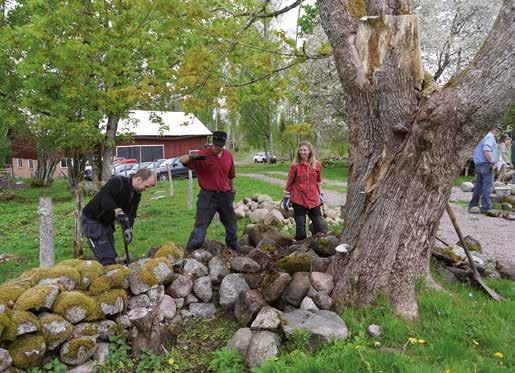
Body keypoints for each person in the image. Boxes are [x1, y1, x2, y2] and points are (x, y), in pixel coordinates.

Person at [179, 131, 239, 253]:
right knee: (200, 227)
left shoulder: (228, 155)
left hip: (225, 195)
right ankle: (191, 252)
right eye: (216, 145)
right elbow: (181, 160)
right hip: (207, 196)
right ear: (212, 142)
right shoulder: (202, 155)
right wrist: (191, 156)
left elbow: (231, 175)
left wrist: (232, 191)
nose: (217, 148)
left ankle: (233, 249)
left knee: (232, 226)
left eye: (220, 146)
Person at [82, 169, 156, 265]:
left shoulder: (136, 194)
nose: (146, 189)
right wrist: (117, 210)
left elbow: (131, 214)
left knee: (112, 254)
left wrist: (128, 228)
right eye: (146, 186)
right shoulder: (118, 182)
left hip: (107, 222)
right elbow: (104, 197)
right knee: (106, 257)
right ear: (138, 179)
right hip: (93, 220)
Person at [283, 141, 326, 240]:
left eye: (304, 150)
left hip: (314, 200)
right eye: (300, 150)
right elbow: (289, 181)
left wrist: (321, 194)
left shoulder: (317, 164)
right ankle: (300, 248)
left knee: (319, 227)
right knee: (300, 229)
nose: (302, 152)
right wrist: (286, 197)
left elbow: (319, 181)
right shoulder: (295, 165)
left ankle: (318, 247)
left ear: (310, 151)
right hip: (299, 199)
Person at [468, 125, 500, 214]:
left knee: (478, 185)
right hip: (486, 164)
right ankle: (486, 206)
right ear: (494, 130)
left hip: (478, 163)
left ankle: (473, 204)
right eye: (498, 131)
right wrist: (492, 162)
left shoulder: (482, 137)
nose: (497, 133)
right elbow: (486, 150)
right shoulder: (490, 137)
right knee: (487, 186)